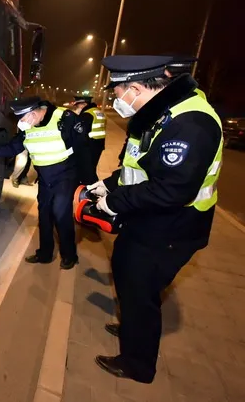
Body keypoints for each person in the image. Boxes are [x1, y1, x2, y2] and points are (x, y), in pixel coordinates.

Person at [87, 55, 223, 383]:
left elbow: (172, 189)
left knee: (140, 289)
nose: (117, 101)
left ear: (135, 89)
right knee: (129, 276)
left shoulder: (190, 124)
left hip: (173, 227)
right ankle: (133, 327)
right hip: (150, 221)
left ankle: (138, 365)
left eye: (117, 94)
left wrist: (115, 202)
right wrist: (109, 184)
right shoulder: (160, 113)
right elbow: (141, 167)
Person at [0, 97, 95, 270]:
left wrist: (88, 180)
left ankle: (69, 255)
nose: (21, 123)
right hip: (45, 178)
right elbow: (14, 147)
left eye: (23, 118)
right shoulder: (28, 127)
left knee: (60, 214)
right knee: (44, 215)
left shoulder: (64, 118)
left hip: (65, 175)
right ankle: (44, 254)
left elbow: (83, 149)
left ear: (33, 114)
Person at [71, 95, 107, 179]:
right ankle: (93, 183)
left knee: (86, 171)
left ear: (84, 104)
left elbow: (80, 133)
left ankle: (90, 184)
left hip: (89, 146)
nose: (77, 108)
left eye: (78, 105)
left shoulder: (87, 115)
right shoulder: (99, 112)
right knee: (92, 168)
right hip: (99, 145)